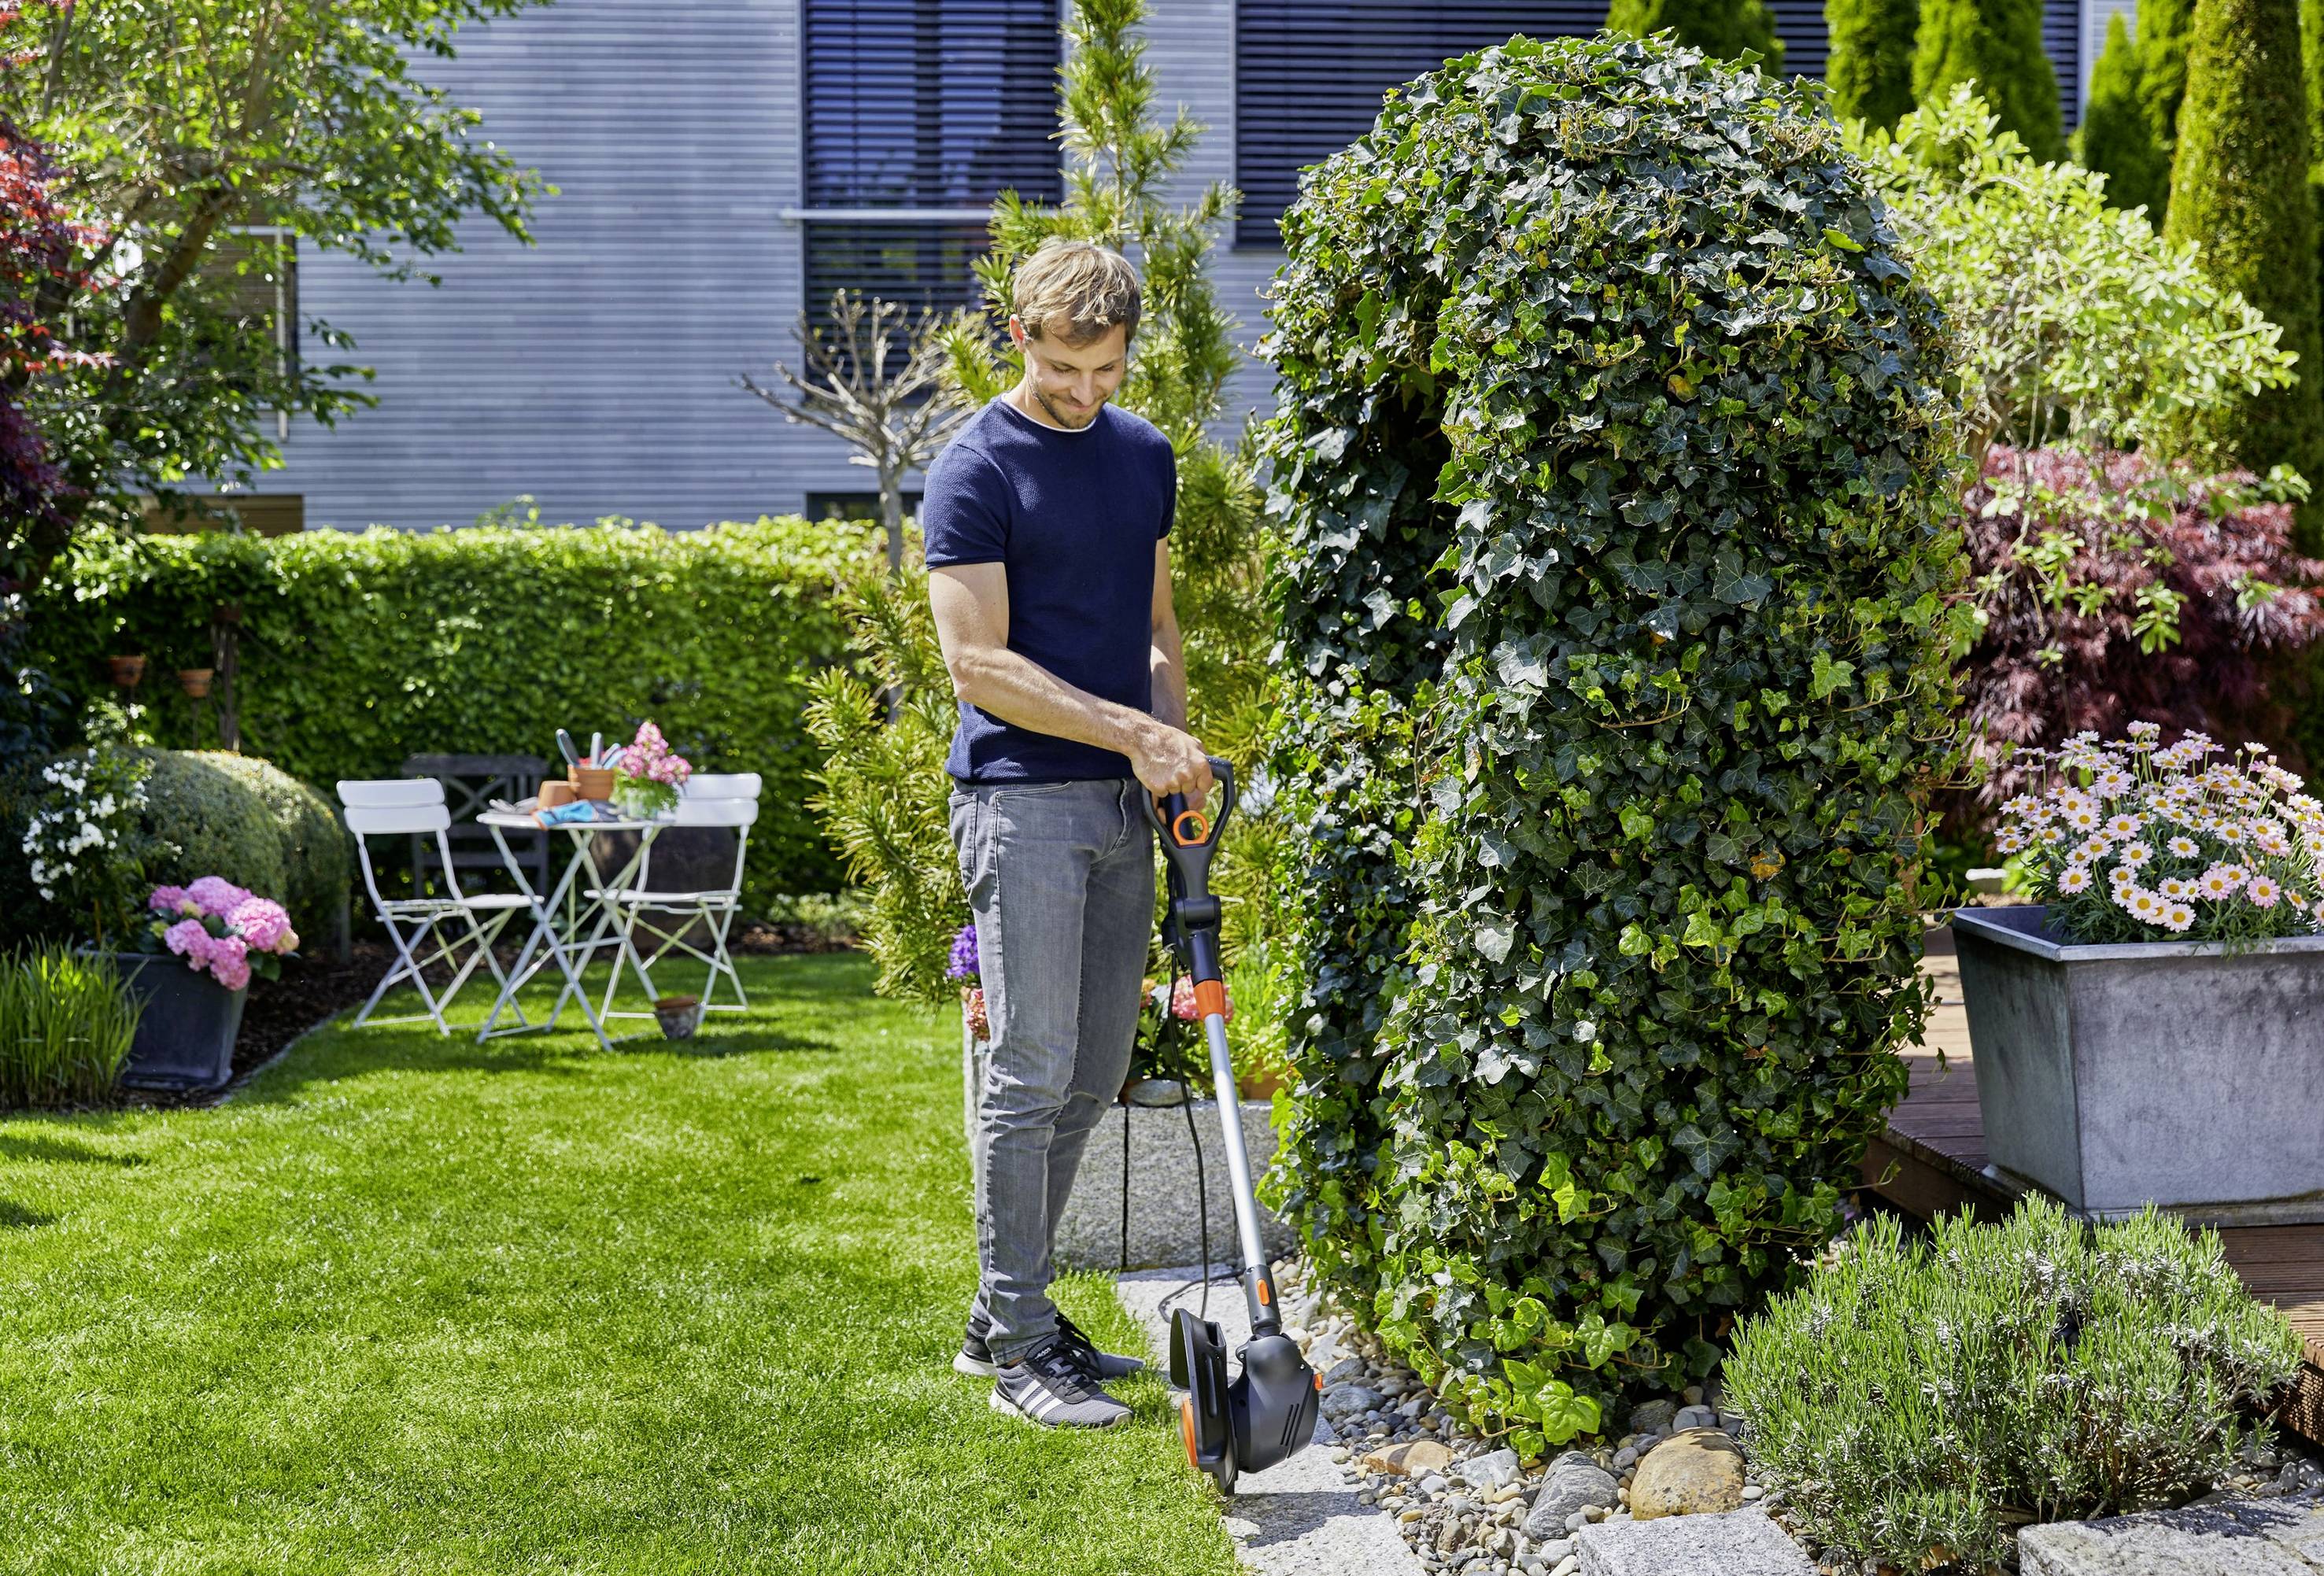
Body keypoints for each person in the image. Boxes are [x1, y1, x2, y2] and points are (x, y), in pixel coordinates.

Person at [924, 237, 1215, 1430]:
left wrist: (1174, 753)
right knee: (1032, 1067)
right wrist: (1129, 733)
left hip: (1121, 806)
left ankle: (1004, 1316)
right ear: (1020, 339)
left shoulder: (1142, 455)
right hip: (1021, 803)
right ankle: (1016, 1347)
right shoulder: (975, 466)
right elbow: (977, 665)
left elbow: (1153, 626)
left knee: (1094, 1072)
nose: (1085, 392)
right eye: (1062, 370)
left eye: (1107, 370)